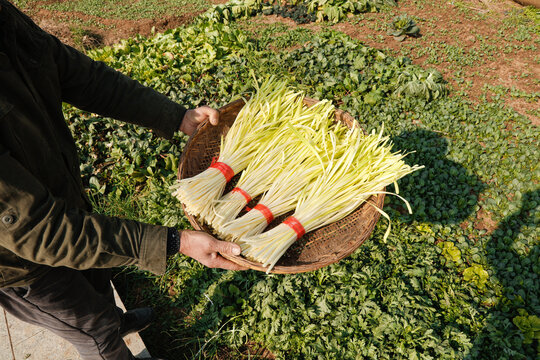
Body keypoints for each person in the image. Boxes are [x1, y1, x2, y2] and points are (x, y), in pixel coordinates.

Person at [0, 1, 246, 359]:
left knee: (98, 280)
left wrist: (176, 116)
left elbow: (79, 75)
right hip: (23, 265)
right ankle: (108, 334)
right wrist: (174, 242)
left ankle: (116, 320)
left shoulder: (4, 20)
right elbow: (42, 232)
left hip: (61, 196)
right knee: (92, 331)